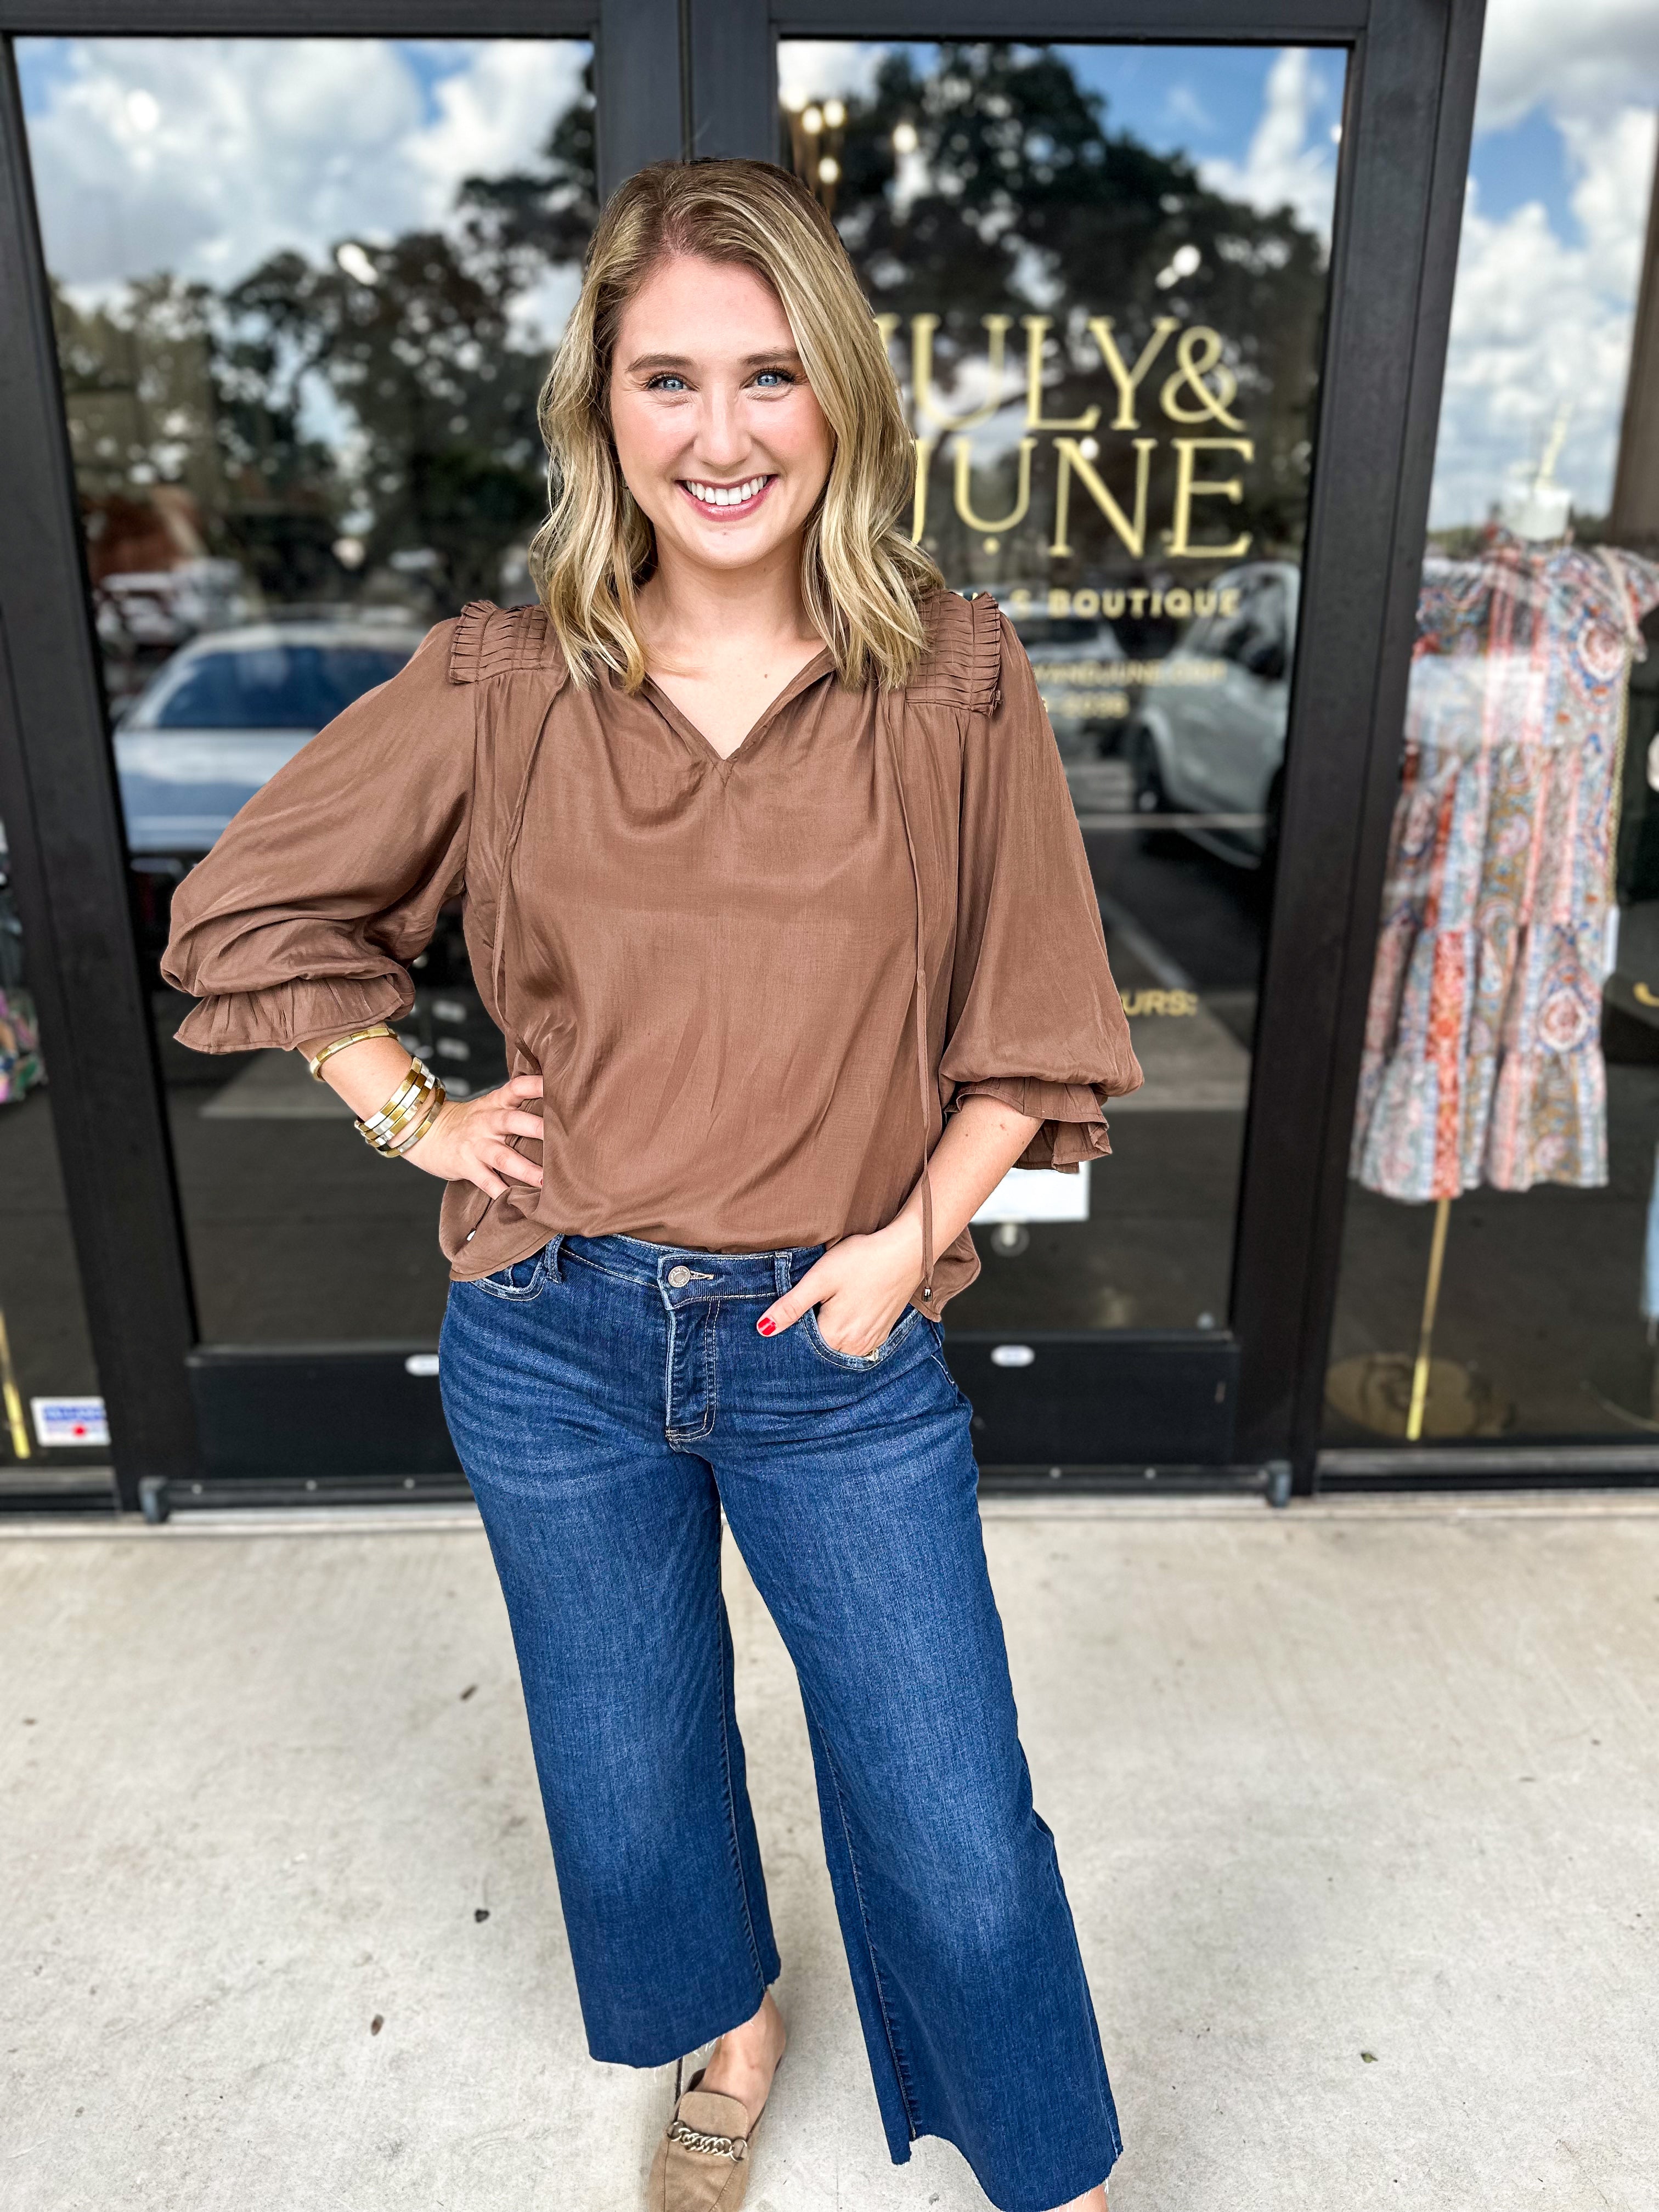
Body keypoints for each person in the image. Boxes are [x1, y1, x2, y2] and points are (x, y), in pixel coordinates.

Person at [163, 157, 1142, 2212]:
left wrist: (906, 1243)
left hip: (836, 1335)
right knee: (629, 1786)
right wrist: (406, 1108)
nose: (723, 434)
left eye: (771, 376)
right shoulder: (508, 683)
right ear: (603, 408)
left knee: (956, 1818)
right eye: (669, 379)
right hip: (556, 1335)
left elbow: (1034, 1015)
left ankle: (1048, 2162)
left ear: (842, 401)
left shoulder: (953, 678)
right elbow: (249, 900)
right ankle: (733, 2026)